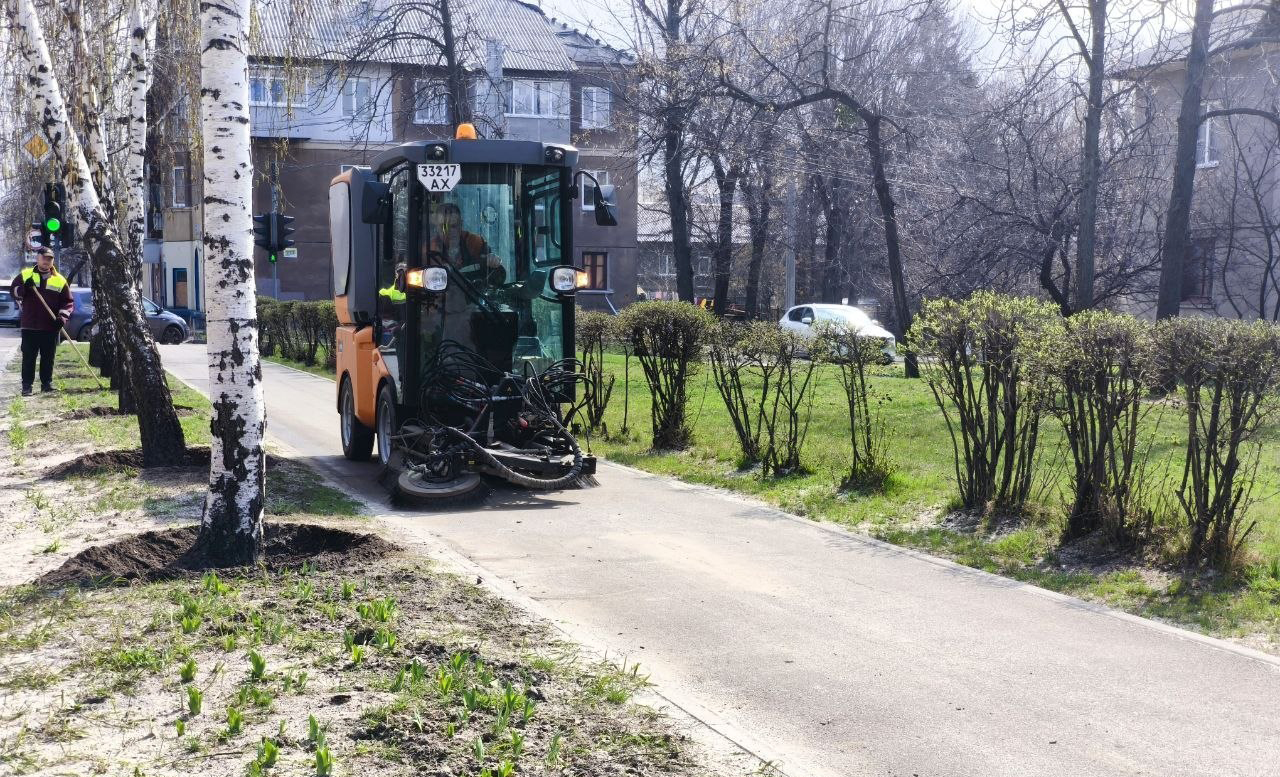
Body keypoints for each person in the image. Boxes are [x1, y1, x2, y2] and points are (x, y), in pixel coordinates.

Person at [10, 247, 74, 396]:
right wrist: (24, 289)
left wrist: (62, 317)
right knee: (29, 357)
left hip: (50, 326)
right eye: (44, 258)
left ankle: (46, 384)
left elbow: (68, 302)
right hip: (30, 326)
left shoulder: (59, 280)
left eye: (50, 259)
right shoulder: (26, 275)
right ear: (37, 258)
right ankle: (27, 386)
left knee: (48, 357)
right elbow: (14, 292)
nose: (47, 261)